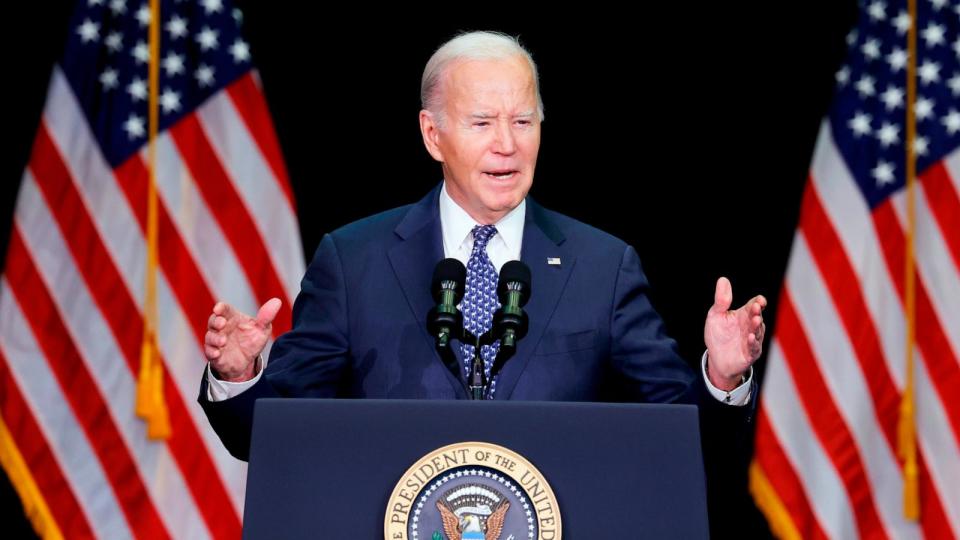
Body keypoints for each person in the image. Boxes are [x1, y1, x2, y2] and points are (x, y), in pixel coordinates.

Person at [198, 31, 766, 462]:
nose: (506, 144)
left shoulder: (602, 266)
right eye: (481, 122)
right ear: (432, 134)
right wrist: (240, 376)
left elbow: (689, 442)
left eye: (523, 121)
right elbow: (270, 438)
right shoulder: (354, 262)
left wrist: (721, 377)